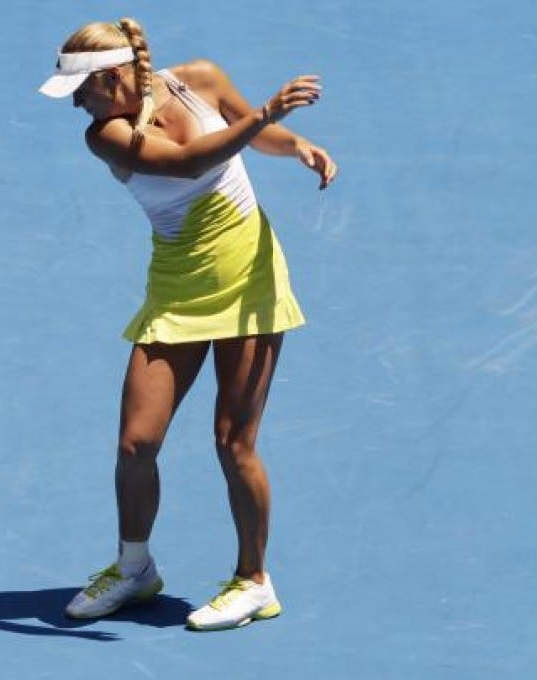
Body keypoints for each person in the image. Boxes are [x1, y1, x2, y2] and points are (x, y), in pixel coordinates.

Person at [38, 17, 337, 631]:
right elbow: (184, 162)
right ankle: (135, 568)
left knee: (234, 441)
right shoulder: (106, 134)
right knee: (135, 443)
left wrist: (294, 142)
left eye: (82, 89)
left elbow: (254, 136)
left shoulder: (198, 80)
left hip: (251, 280)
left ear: (115, 76)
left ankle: (254, 580)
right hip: (176, 293)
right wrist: (261, 115)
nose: (75, 103)